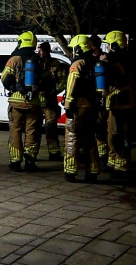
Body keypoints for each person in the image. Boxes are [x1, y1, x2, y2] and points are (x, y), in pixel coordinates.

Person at [1, 31, 44, 172]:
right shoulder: (39, 60)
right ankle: (30, 161)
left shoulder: (15, 59)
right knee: (32, 132)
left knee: (16, 131)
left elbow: (5, 78)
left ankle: (15, 162)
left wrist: (14, 87)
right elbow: (46, 80)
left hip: (16, 101)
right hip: (34, 102)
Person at [62, 34, 102, 183]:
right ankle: (92, 171)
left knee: (72, 137)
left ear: (78, 48)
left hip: (78, 106)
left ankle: (70, 171)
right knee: (90, 139)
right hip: (92, 106)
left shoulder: (77, 63)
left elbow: (72, 83)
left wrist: (68, 105)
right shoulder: (94, 62)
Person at [102, 30, 136, 180]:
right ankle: (114, 160)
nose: (107, 48)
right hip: (127, 100)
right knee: (120, 132)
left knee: (116, 133)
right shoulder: (130, 57)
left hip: (118, 101)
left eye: (109, 45)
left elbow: (111, 78)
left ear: (114, 44)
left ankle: (120, 164)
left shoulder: (115, 59)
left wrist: (104, 61)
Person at [36, 41, 67, 161]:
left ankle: (54, 153)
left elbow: (63, 81)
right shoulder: (34, 63)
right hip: (37, 101)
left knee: (51, 128)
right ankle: (32, 153)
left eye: (41, 50)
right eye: (38, 50)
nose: (39, 52)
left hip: (50, 101)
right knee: (35, 129)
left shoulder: (55, 64)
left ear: (47, 51)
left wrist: (54, 91)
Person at [89, 34, 109, 162]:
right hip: (90, 97)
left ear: (94, 46)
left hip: (100, 98)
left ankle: (102, 153)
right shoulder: (89, 58)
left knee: (99, 126)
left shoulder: (104, 59)